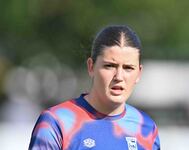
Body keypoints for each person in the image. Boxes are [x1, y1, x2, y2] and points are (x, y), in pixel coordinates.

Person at [29, 25, 160, 150]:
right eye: (110, 66)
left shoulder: (147, 128)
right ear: (91, 67)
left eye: (128, 68)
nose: (119, 76)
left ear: (139, 73)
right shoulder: (57, 122)